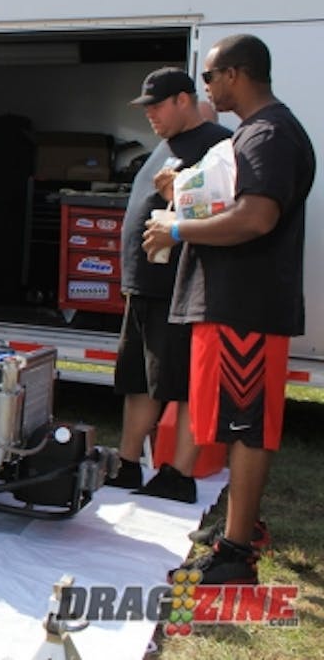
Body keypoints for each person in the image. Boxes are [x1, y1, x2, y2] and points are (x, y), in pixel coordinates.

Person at [145, 34, 315, 584]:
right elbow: (229, 203)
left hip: (247, 308)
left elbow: (255, 217)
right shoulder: (256, 134)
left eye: (212, 76)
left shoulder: (269, 134)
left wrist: (177, 226)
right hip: (232, 305)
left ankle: (237, 554)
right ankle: (242, 531)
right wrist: (184, 195)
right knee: (236, 422)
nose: (207, 87)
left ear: (238, 74)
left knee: (247, 428)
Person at [106, 68, 231, 503]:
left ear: (184, 100)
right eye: (146, 109)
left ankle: (179, 473)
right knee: (138, 379)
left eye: (157, 106)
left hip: (182, 287)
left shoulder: (218, 145)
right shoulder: (166, 144)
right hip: (145, 286)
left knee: (183, 383)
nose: (151, 116)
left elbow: (224, 210)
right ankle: (127, 463)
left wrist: (180, 194)